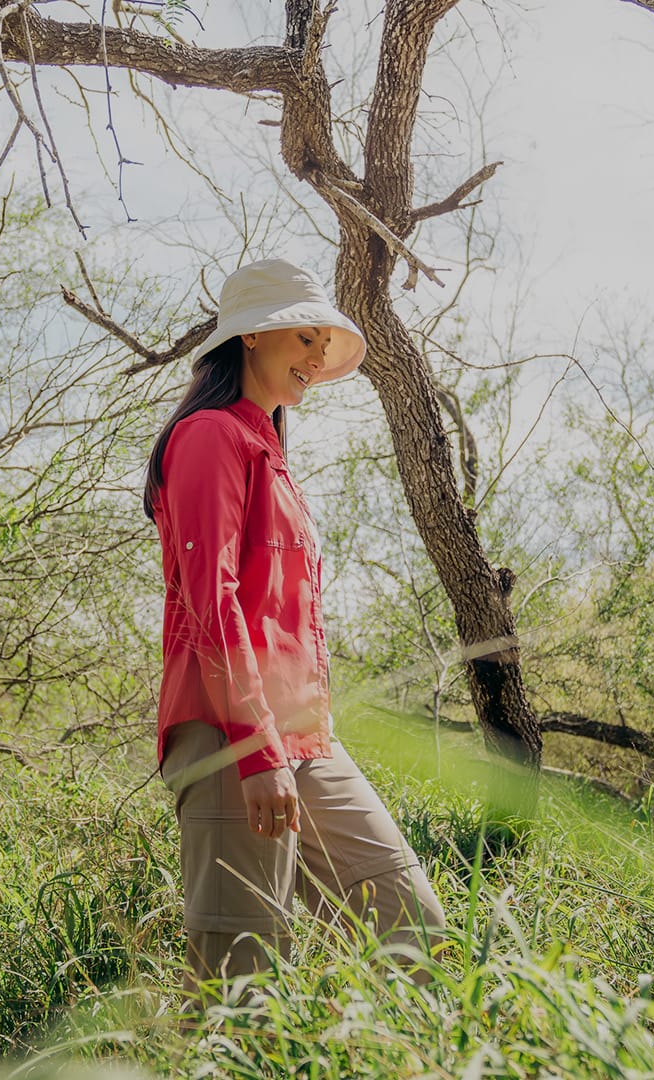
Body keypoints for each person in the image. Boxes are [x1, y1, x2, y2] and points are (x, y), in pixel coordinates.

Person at [145, 259, 447, 997]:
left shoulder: (270, 453)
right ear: (250, 338)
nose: (317, 357)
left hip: (304, 739)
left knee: (411, 924)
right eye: (305, 336)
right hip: (229, 737)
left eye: (325, 343)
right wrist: (255, 750)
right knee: (240, 988)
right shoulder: (210, 435)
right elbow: (212, 601)